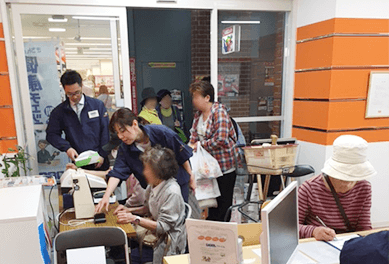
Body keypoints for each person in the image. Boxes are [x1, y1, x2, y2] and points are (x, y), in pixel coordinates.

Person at [95, 108, 195, 214]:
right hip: (154, 190)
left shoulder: (161, 133)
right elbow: (117, 173)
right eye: (117, 133)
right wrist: (106, 196)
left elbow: (183, 156)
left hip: (177, 183)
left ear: (134, 124)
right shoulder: (125, 149)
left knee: (177, 219)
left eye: (123, 130)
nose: (120, 136)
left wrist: (191, 176)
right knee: (158, 217)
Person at [114, 146, 187, 264]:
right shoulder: (153, 185)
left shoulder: (172, 192)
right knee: (124, 254)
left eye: (147, 169)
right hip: (156, 238)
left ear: (158, 171)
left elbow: (163, 227)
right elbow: (148, 208)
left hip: (167, 245)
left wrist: (133, 218)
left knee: (125, 258)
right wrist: (129, 210)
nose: (144, 172)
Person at [299, 135, 377, 241]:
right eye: (342, 178)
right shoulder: (309, 188)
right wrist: (313, 231)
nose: (348, 184)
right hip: (317, 244)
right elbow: (289, 228)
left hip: (347, 245)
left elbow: (363, 229)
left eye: (354, 177)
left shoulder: (364, 187)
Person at [188, 80, 238, 222]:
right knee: (211, 203)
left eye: (196, 97)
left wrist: (200, 145)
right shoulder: (198, 115)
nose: (193, 100)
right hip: (208, 169)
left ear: (207, 98)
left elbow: (220, 138)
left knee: (223, 205)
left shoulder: (219, 112)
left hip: (224, 167)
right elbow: (193, 136)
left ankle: (222, 236)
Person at [46, 70, 110, 171]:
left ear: (82, 86)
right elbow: (51, 134)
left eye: (77, 92)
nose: (75, 97)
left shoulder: (97, 105)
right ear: (64, 90)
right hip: (78, 163)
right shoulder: (59, 112)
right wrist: (67, 148)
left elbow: (106, 131)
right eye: (70, 94)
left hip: (100, 161)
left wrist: (102, 154)